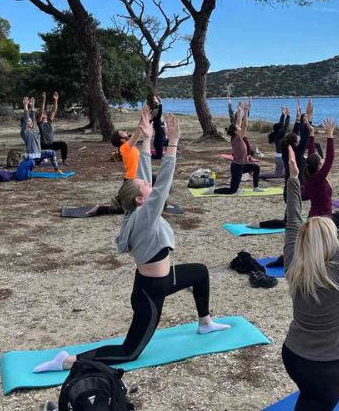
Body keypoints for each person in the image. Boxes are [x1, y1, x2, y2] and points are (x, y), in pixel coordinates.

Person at [32, 114, 230, 373]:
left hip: (165, 279)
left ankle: (205, 322)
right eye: (145, 187)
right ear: (140, 200)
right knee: (130, 352)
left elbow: (143, 175)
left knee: (200, 272)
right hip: (151, 293)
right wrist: (172, 144)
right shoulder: (145, 216)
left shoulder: (134, 210)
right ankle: (68, 362)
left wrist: (147, 141)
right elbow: (163, 183)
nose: (148, 184)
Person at [281, 143, 339, 410]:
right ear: (330, 242)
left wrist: (294, 178)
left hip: (293, 355)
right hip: (323, 368)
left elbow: (293, 222)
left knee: (309, 398)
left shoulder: (293, 264)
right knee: (313, 401)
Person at [208, 100, 264, 194]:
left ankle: (255, 187)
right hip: (237, 167)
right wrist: (246, 111)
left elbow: (238, 123)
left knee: (256, 168)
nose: (239, 127)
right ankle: (213, 191)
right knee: (232, 190)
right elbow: (245, 125)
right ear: (235, 131)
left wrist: (239, 111)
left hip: (242, 165)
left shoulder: (236, 137)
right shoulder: (238, 138)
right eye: (238, 128)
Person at [304, 119, 339, 234]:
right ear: (318, 166)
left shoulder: (309, 175)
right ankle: (335, 235)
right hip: (323, 221)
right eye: (320, 160)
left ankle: (336, 233)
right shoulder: (319, 178)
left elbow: (311, 157)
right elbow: (329, 159)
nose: (322, 160)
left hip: (312, 219)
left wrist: (312, 133)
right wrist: (330, 136)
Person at [21, 97, 63, 173]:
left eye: (31, 122)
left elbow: (32, 119)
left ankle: (57, 169)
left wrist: (32, 107)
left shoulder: (33, 130)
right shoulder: (24, 132)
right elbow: (26, 120)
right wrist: (25, 106)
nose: (31, 122)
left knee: (52, 152)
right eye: (29, 122)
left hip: (39, 155)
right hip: (31, 159)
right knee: (28, 171)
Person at [38, 91, 68, 165]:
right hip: (43, 145)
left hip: (51, 144)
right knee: (40, 160)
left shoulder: (48, 122)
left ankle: (64, 161)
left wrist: (55, 100)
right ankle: (40, 159)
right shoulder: (40, 123)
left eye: (45, 114)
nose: (45, 115)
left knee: (63, 144)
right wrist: (44, 99)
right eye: (43, 115)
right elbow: (41, 111)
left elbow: (54, 111)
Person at [261, 107, 290, 180]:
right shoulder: (279, 135)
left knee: (284, 173)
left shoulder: (275, 135)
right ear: (279, 129)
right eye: (281, 128)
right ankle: (259, 175)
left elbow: (281, 124)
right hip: (281, 158)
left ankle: (259, 175)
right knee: (278, 174)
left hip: (280, 157)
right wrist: (288, 116)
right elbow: (285, 127)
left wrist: (283, 114)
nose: (282, 128)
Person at [150, 95, 168, 160]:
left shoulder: (159, 119)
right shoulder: (155, 117)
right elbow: (159, 113)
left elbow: (159, 113)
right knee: (158, 157)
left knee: (174, 143)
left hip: (164, 140)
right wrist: (160, 102)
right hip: (159, 141)